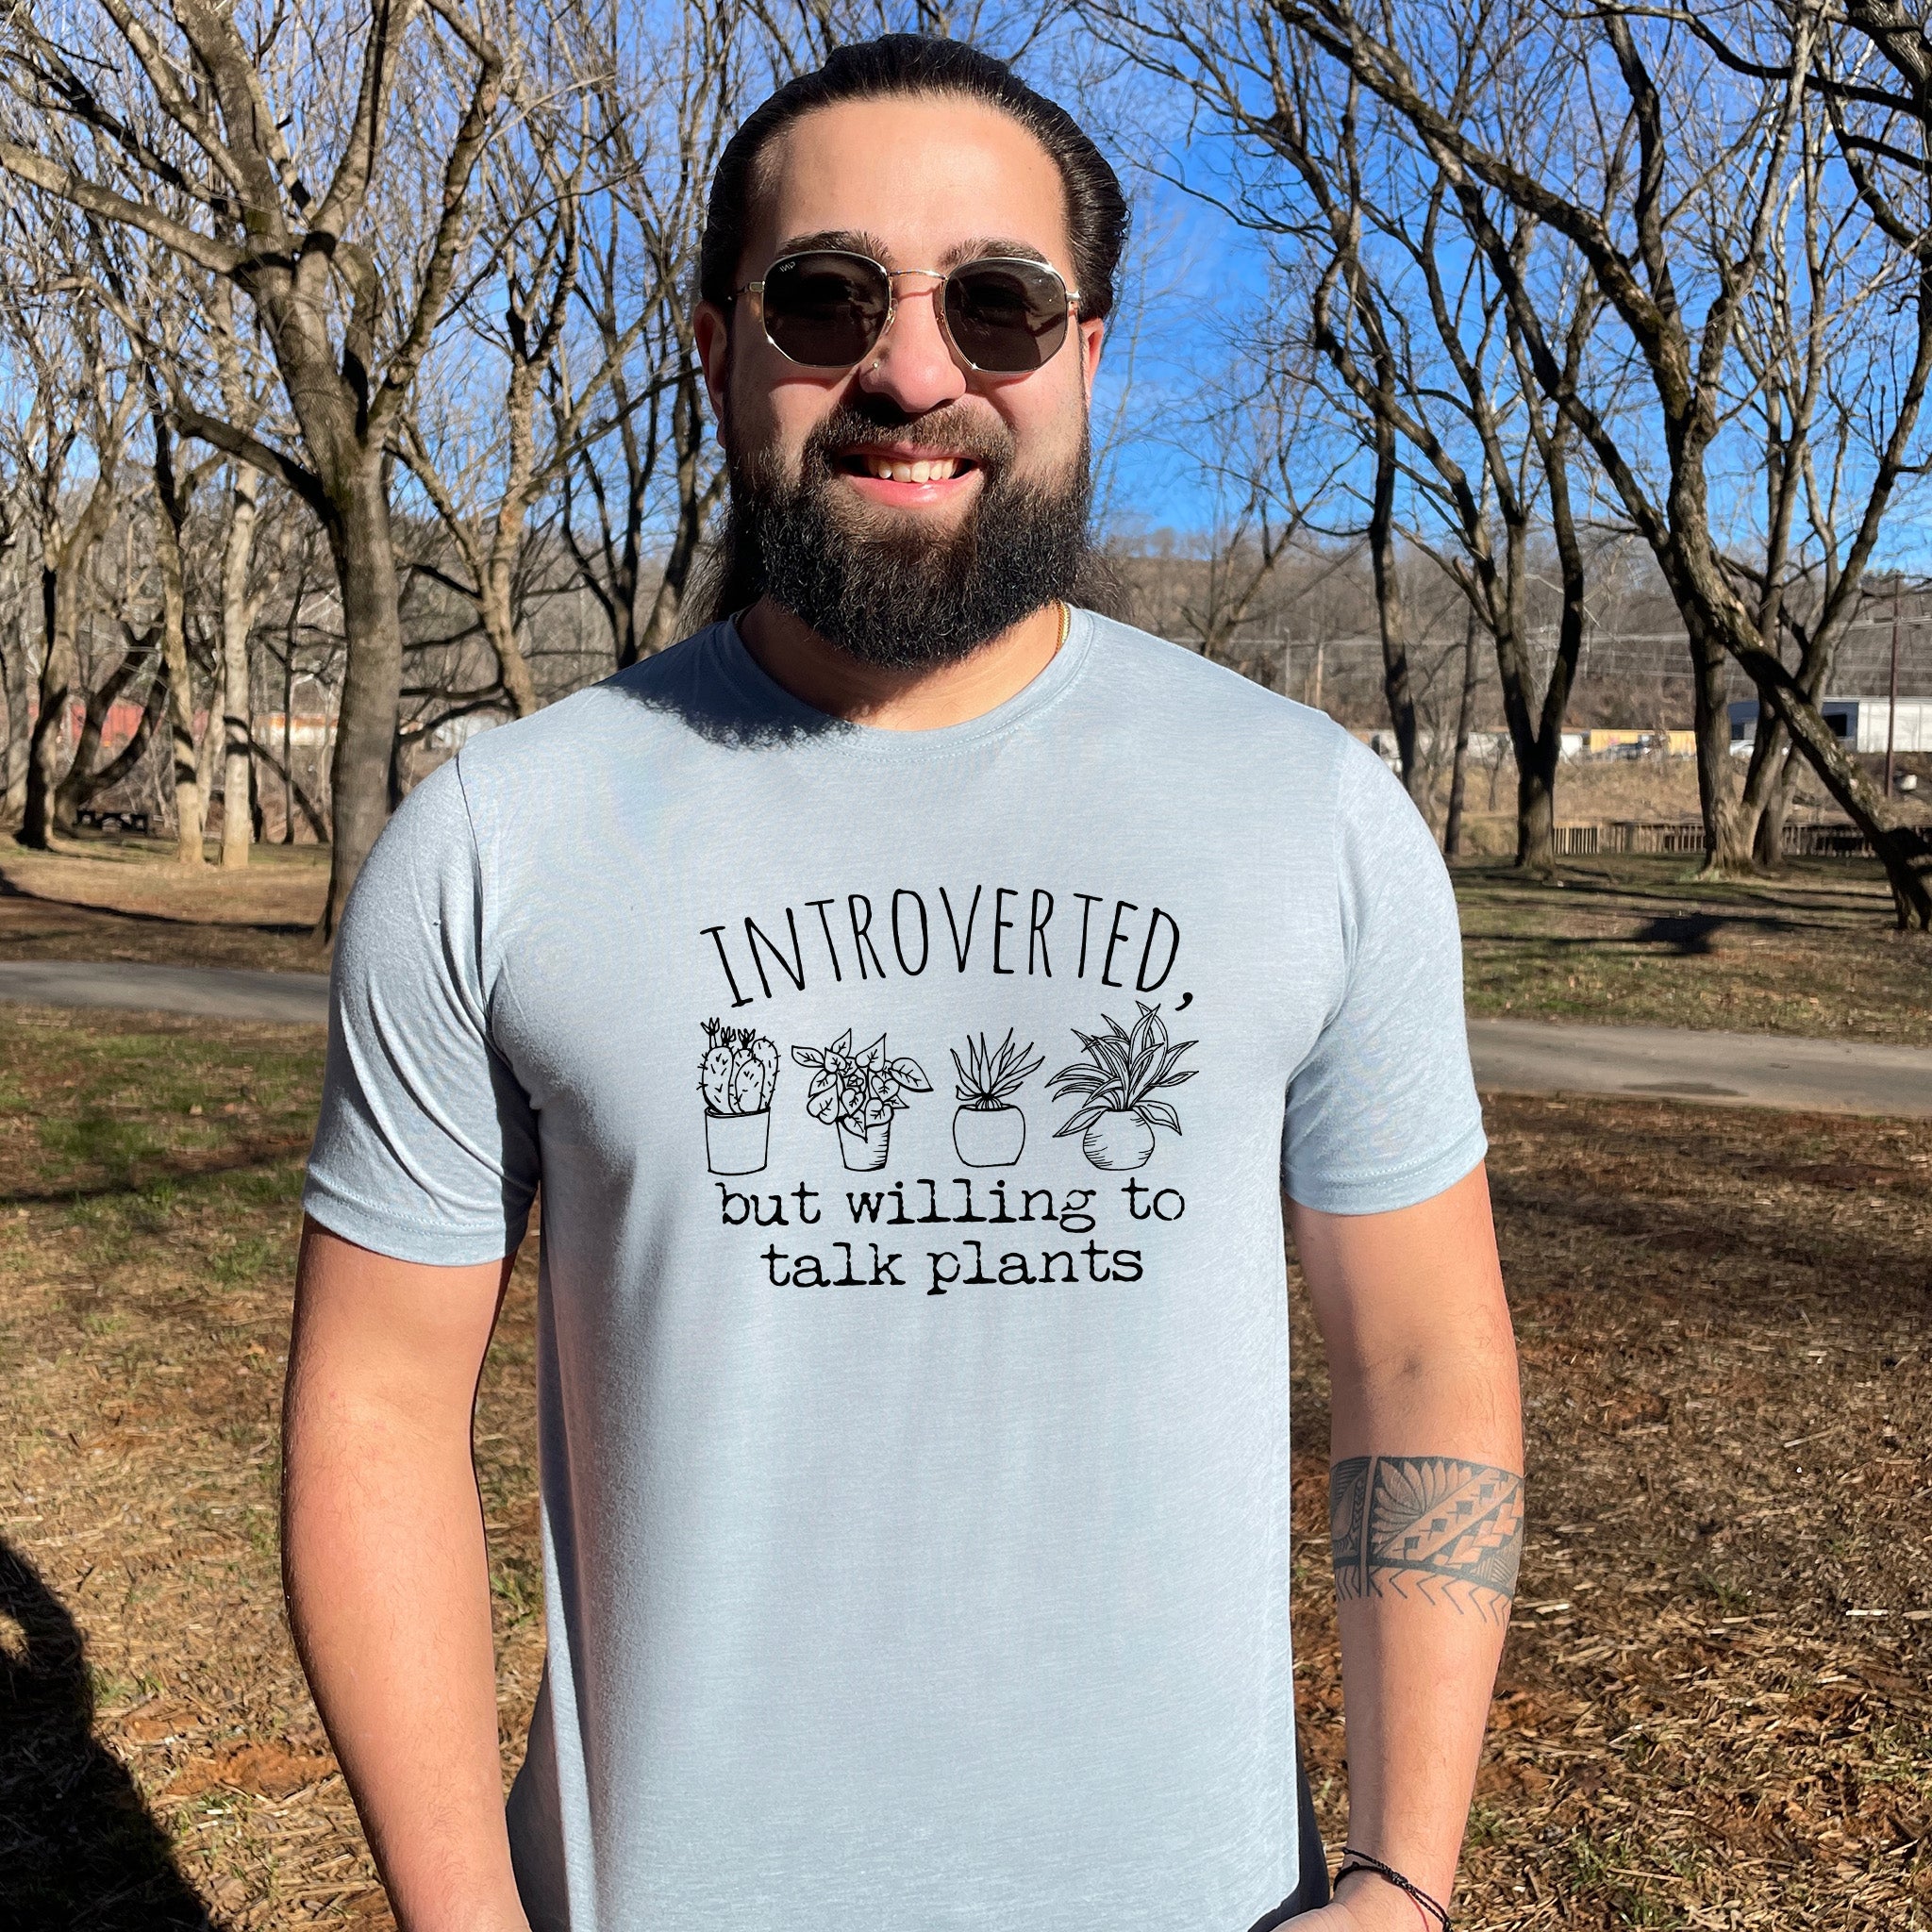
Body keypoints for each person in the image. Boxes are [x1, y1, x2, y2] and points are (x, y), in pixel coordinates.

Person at [285, 34, 1524, 1932]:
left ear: (1086, 360)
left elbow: (1423, 1354)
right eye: (826, 294)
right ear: (716, 345)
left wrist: (1403, 1876)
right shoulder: (497, 844)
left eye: (1000, 304)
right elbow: (373, 1408)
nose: (916, 368)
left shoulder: (1312, 817)